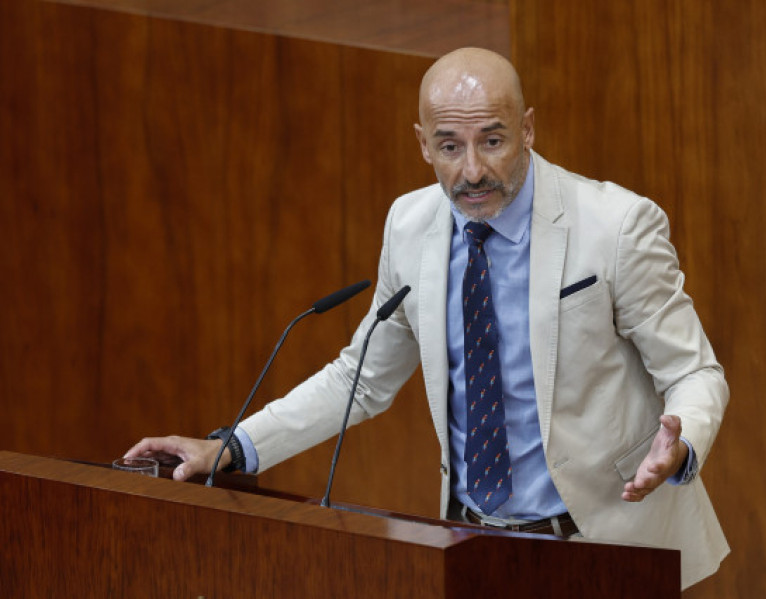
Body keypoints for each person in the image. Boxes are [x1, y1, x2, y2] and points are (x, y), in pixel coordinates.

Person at [126, 47, 729, 588]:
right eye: (449, 146)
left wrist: (679, 446)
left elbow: (696, 372)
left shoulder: (616, 225)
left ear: (528, 129)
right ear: (422, 143)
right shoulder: (409, 226)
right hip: (469, 547)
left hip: (604, 544)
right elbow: (359, 379)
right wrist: (232, 447)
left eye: (492, 141)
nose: (472, 171)